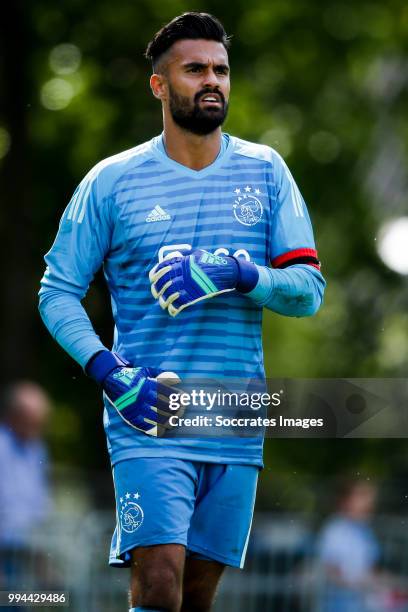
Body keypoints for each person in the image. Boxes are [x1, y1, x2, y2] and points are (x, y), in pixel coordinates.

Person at [38, 12, 325, 612]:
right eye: (195, 69)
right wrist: (105, 371)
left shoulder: (266, 170)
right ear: (160, 86)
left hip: (234, 412)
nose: (212, 80)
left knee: (196, 595)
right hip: (149, 410)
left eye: (221, 69)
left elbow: (308, 291)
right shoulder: (111, 182)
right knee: (159, 580)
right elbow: (56, 290)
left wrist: (243, 274)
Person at [0, 382, 52, 592]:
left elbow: (38, 502)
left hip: (25, 551)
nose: (36, 429)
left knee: (22, 602)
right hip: (4, 552)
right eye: (31, 422)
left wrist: (43, 563)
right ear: (14, 416)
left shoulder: (37, 448)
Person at [316, 479, 381, 612]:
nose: (368, 504)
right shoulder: (335, 530)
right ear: (346, 501)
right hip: (338, 603)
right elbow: (330, 571)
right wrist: (361, 584)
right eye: (362, 498)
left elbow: (371, 570)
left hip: (363, 601)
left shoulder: (365, 531)